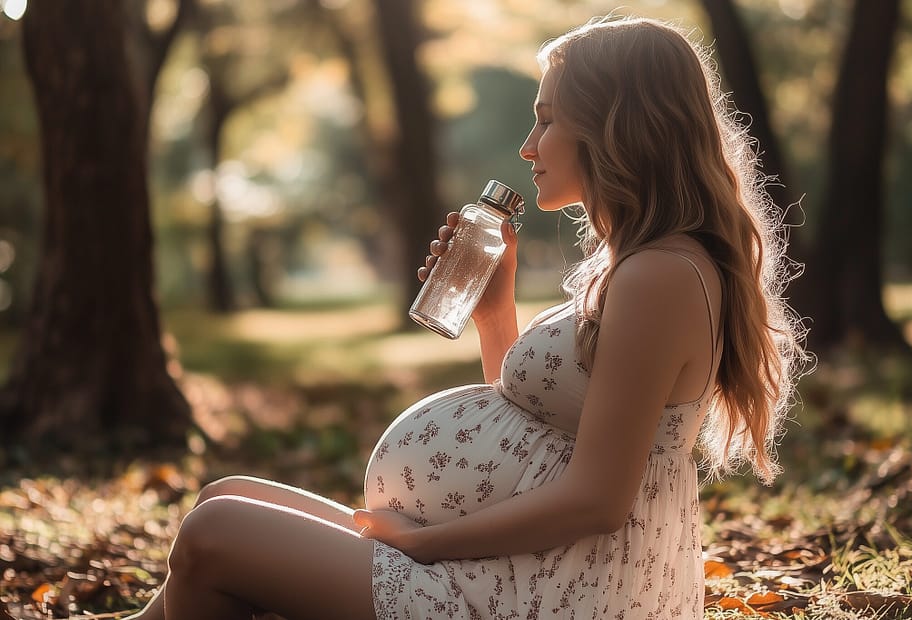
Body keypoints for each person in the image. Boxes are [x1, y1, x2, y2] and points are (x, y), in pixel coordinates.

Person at [125, 14, 806, 620]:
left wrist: (426, 544)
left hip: (559, 590)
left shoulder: (659, 276)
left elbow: (598, 499)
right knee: (225, 495)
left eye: (546, 118)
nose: (528, 145)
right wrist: (495, 310)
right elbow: (539, 424)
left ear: (612, 125)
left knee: (216, 539)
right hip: (532, 572)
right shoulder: (636, 265)